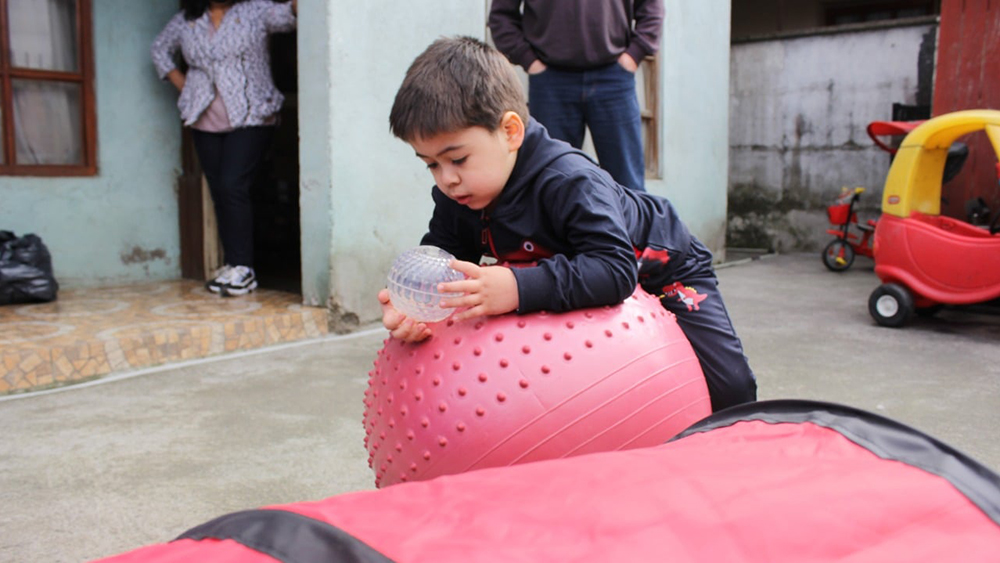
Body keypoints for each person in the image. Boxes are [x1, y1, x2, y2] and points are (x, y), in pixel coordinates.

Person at [380, 37, 756, 413]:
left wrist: (516, 286)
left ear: (510, 132)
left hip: (663, 268)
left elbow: (614, 269)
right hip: (581, 263)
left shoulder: (569, 181)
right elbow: (443, 265)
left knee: (730, 387)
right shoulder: (458, 197)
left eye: (457, 159)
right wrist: (413, 306)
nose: (446, 180)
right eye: (430, 164)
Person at [151, 0, 297, 296]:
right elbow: (159, 49)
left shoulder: (255, 11)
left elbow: (290, 15)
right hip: (204, 118)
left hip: (252, 114)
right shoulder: (187, 20)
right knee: (220, 190)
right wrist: (184, 85)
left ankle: (244, 268)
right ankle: (234, 264)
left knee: (233, 184)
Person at [488, 0, 662, 193]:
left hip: (614, 79)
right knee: (550, 180)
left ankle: (629, 225)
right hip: (551, 83)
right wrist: (529, 61)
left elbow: (652, 8)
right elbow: (501, 16)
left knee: (627, 183)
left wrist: (633, 55)